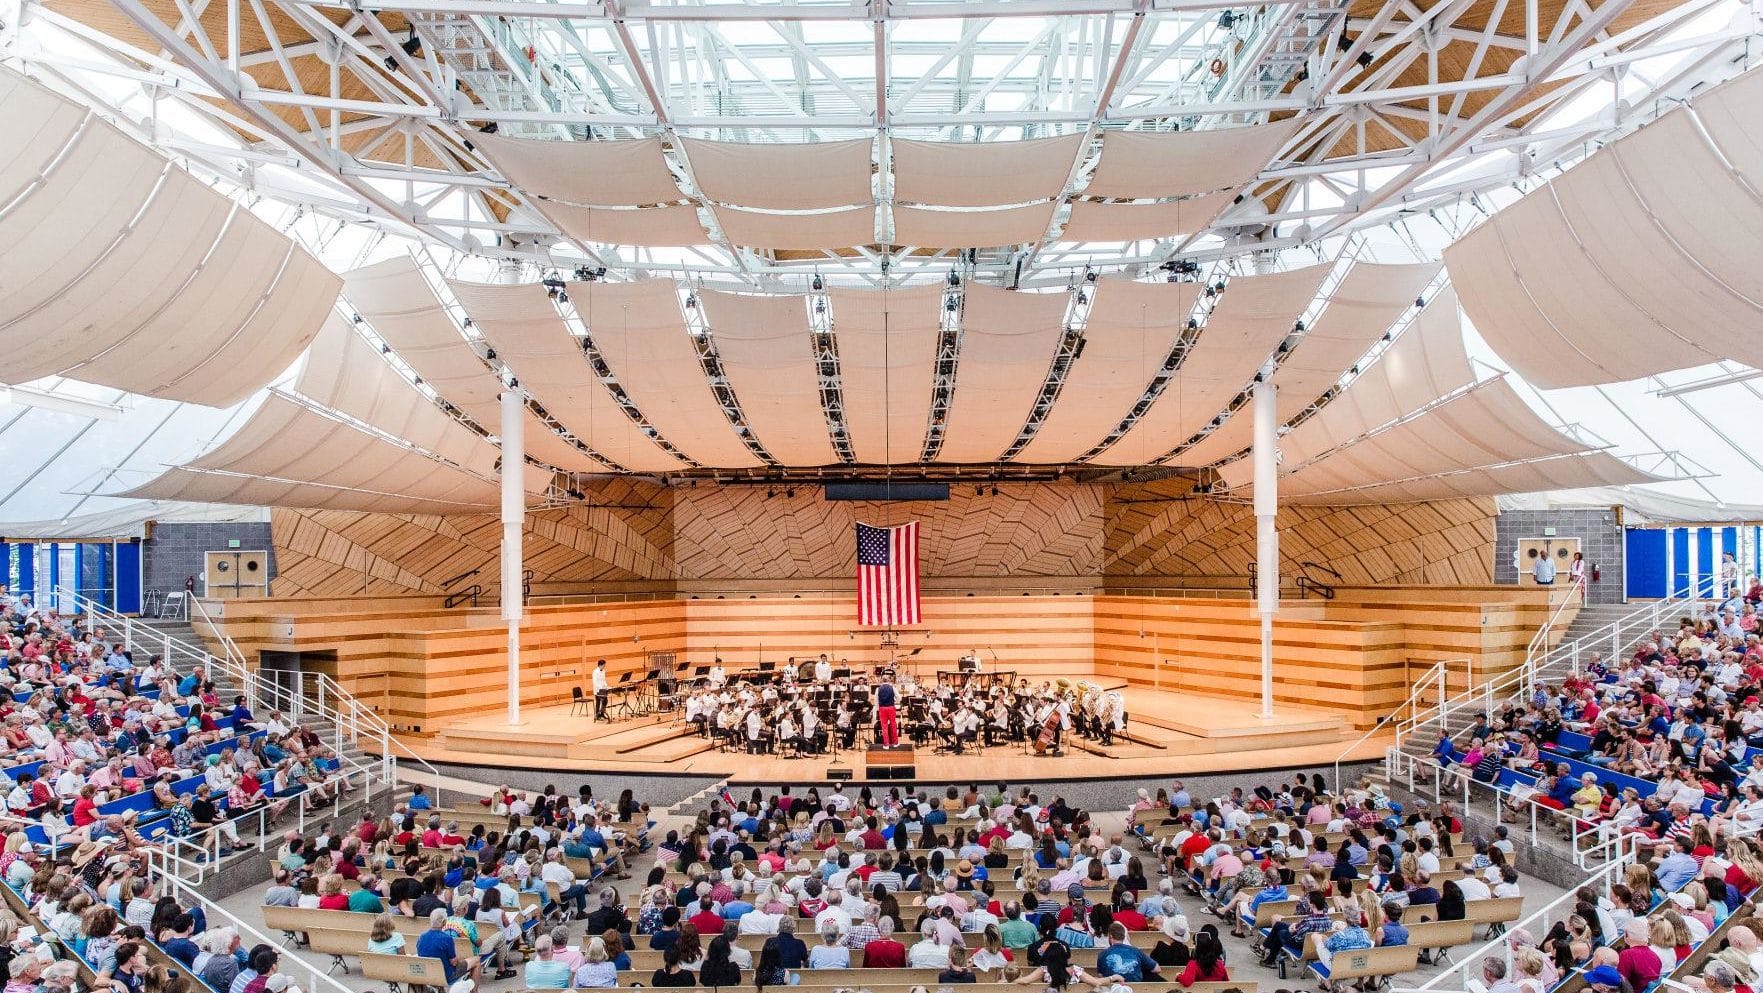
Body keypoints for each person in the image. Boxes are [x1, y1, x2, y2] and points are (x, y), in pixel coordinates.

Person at [1095, 923, 1160, 983]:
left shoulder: (1102, 954)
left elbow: (1100, 975)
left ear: (1110, 936)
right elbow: (1157, 969)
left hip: (1112, 989)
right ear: (1123, 936)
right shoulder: (1136, 951)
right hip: (1136, 989)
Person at [414, 909, 462, 987]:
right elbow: (454, 963)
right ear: (444, 922)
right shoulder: (447, 938)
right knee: (475, 960)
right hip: (445, 975)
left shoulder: (421, 937)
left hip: (427, 973)